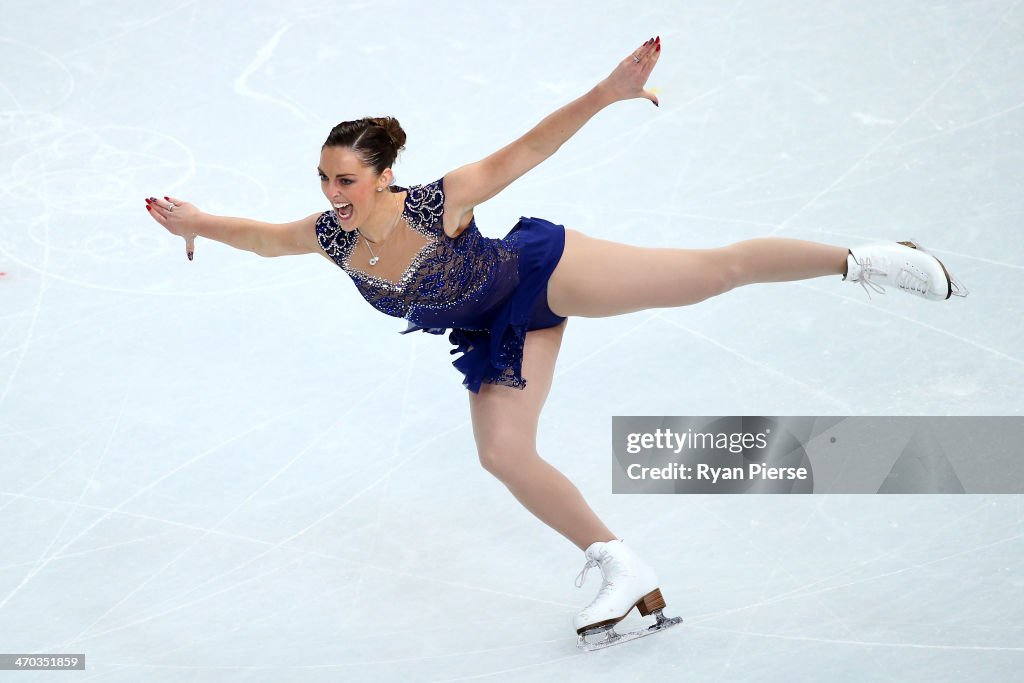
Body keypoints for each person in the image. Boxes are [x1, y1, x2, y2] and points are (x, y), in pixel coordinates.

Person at [144, 35, 967, 642]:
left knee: (709, 274)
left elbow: (531, 146)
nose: (332, 192)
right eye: (324, 178)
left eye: (346, 179)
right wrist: (199, 223)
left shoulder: (441, 201)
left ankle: (867, 259)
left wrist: (604, 93)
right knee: (503, 453)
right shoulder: (329, 236)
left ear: (384, 175)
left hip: (543, 274)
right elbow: (261, 238)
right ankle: (620, 564)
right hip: (496, 330)